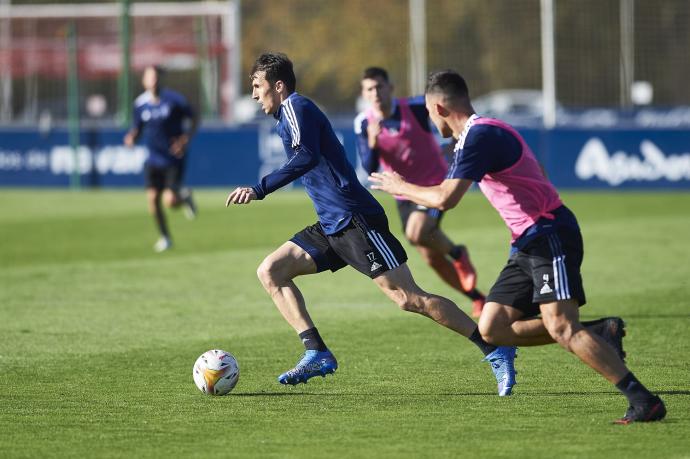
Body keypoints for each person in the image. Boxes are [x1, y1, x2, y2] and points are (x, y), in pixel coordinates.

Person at [369, 69, 666, 424]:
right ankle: (600, 332)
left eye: (431, 114)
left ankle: (643, 400)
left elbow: (446, 199)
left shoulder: (478, 136)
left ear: (439, 107)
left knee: (562, 327)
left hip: (548, 234)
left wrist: (400, 186)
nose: (432, 122)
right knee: (492, 328)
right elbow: (536, 167)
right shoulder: (486, 131)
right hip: (527, 241)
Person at [225, 52, 518, 395]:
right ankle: (316, 351)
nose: (254, 94)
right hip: (332, 224)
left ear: (278, 85)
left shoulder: (296, 107)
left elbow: (306, 156)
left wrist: (259, 189)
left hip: (355, 220)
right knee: (271, 271)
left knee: (410, 299)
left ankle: (494, 348)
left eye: (257, 86)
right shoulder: (285, 117)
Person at [355, 67, 486, 318]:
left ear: (390, 88)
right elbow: (369, 166)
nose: (376, 92)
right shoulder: (364, 123)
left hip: (435, 184)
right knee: (431, 257)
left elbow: (448, 112)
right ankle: (477, 297)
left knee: (417, 232)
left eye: (380, 86)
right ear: (364, 93)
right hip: (404, 193)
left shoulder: (414, 107)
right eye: (369, 89)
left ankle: (458, 253)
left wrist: (457, 138)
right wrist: (372, 141)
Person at [124, 65, 198, 252]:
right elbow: (138, 128)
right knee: (152, 199)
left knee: (170, 201)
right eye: (149, 77)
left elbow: (194, 117)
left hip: (173, 157)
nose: (153, 80)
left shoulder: (174, 100)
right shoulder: (140, 104)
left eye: (156, 76)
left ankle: (184, 197)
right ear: (144, 81)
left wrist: (185, 139)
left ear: (160, 79)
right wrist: (132, 136)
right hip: (152, 158)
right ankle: (165, 238)